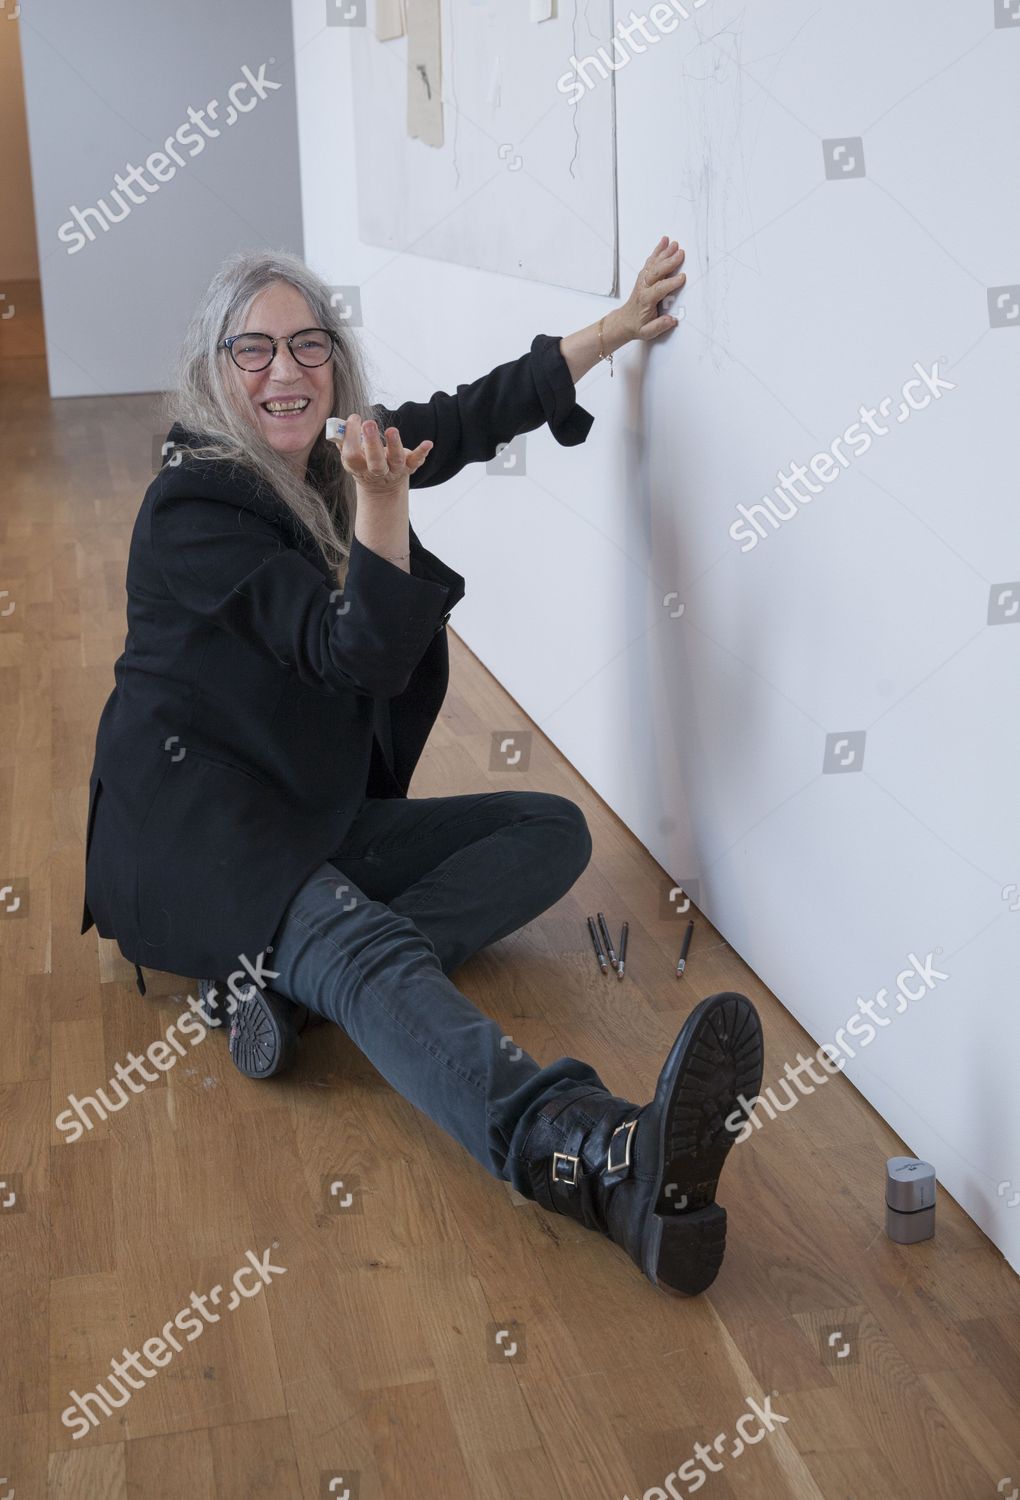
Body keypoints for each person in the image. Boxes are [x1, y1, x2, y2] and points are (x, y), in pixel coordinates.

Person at [79, 241, 764, 1296]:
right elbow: (349, 649)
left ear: (336, 362)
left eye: (309, 343)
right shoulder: (195, 509)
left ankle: (278, 994)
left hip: (303, 814)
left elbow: (477, 410)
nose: (285, 369)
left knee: (550, 831)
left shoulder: (328, 462)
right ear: (215, 372)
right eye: (253, 349)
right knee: (367, 954)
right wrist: (385, 510)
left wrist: (615, 328)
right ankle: (593, 1159)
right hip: (201, 839)